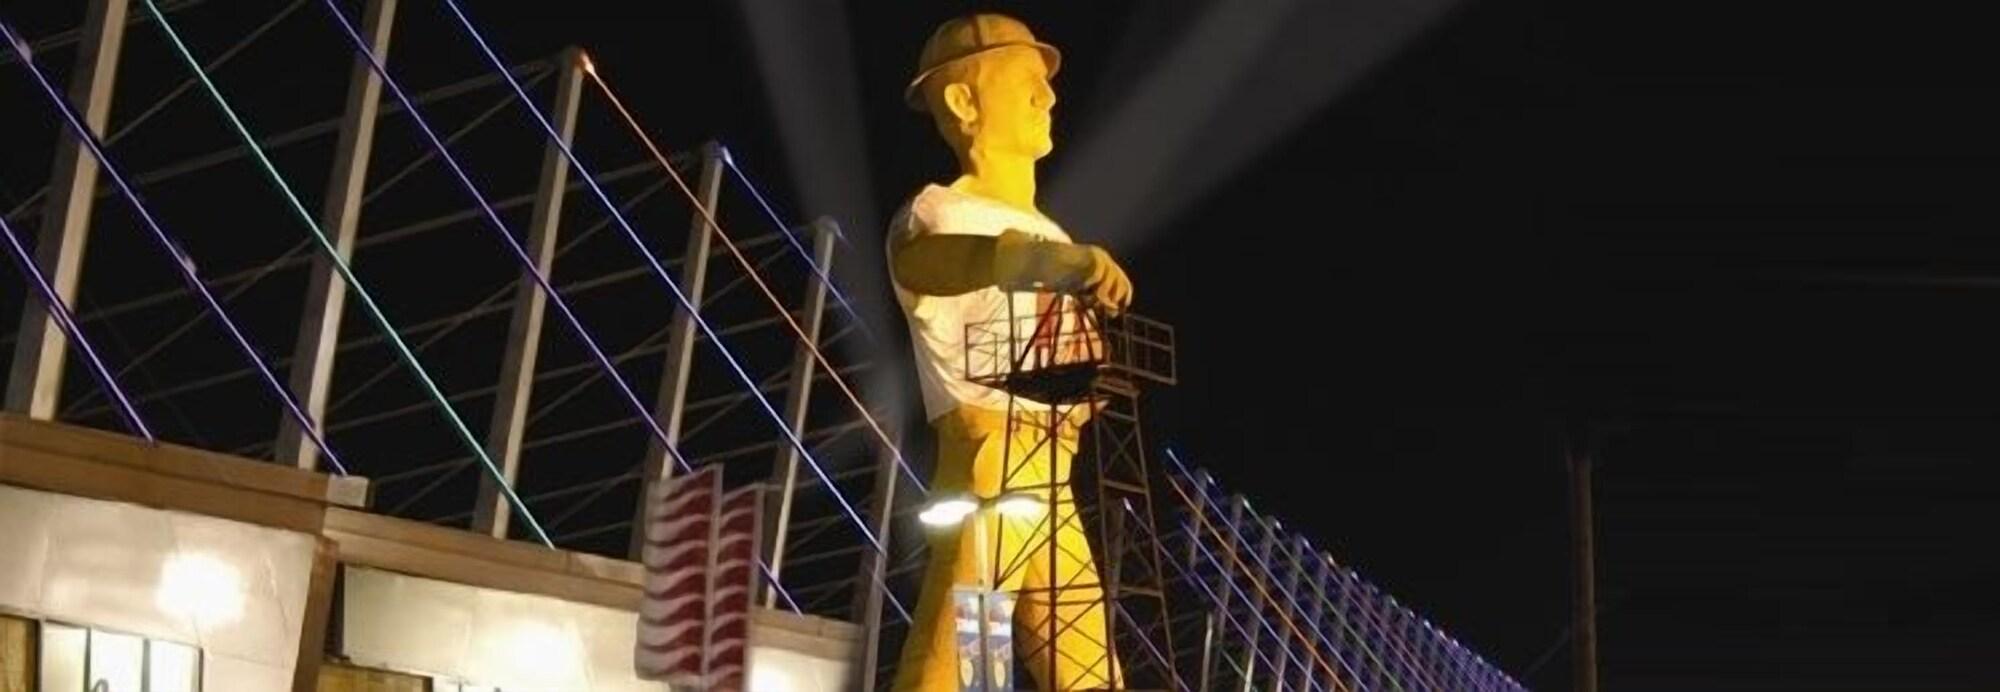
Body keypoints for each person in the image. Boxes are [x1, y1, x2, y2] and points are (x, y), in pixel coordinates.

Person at [885, 13, 1134, 691]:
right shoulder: (939, 211)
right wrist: (1034, 261)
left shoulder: (1054, 233)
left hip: (1054, 466)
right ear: (963, 102)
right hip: (989, 461)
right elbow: (926, 264)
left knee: (1087, 665)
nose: (1047, 96)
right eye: (1026, 79)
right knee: (968, 660)